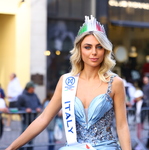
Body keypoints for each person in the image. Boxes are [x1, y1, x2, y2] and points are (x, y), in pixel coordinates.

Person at [6, 15, 131, 150]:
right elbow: (43, 119)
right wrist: (12, 147)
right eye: (88, 47)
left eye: (99, 47)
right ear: (79, 49)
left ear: (105, 50)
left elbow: (122, 126)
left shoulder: (115, 83)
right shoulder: (66, 82)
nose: (94, 52)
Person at [17, 81, 42, 150]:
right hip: (25, 119)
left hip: (33, 119)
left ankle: (30, 148)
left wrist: (38, 108)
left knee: (31, 136)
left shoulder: (35, 95)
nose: (34, 89)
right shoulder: (22, 96)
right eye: (32, 87)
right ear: (29, 88)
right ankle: (20, 148)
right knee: (23, 135)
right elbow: (18, 107)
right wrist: (25, 109)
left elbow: (39, 104)